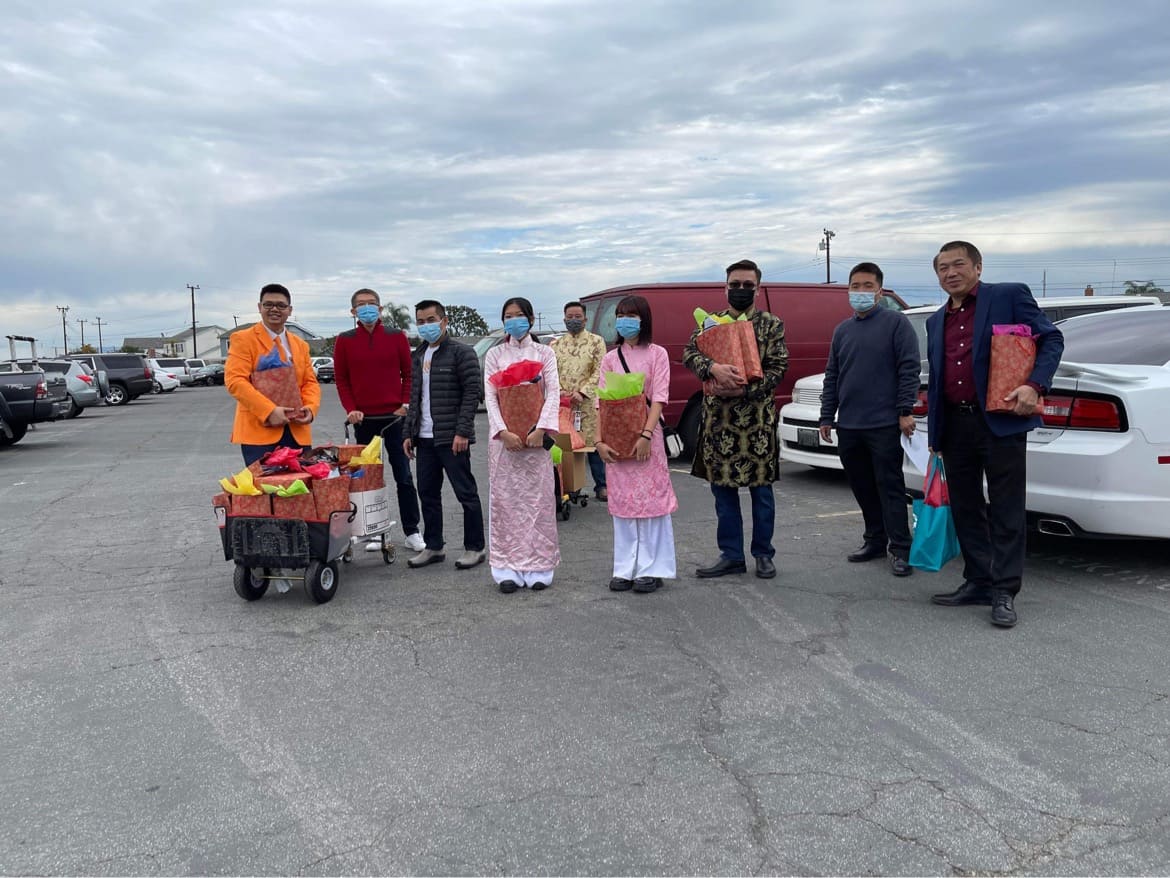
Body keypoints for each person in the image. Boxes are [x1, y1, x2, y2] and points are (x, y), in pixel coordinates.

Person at [925, 241, 1064, 628]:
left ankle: (1004, 590)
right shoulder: (935, 321)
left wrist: (1035, 385)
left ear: (978, 267)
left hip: (1000, 420)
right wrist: (936, 434)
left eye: (958, 264)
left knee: (1006, 508)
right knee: (966, 508)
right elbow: (936, 379)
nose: (950, 273)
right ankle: (978, 581)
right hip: (955, 425)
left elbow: (1051, 339)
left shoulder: (1008, 296)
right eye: (942, 268)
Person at [683, 259, 789, 579]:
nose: (740, 289)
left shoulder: (771, 324)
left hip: (757, 424)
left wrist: (744, 390)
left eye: (747, 285)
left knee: (762, 493)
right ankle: (731, 555)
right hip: (720, 424)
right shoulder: (711, 323)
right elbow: (689, 353)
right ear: (725, 287)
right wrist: (713, 368)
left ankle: (763, 554)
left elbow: (778, 368)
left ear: (758, 288)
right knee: (723, 493)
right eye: (735, 285)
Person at [819, 262, 920, 577]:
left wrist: (904, 411)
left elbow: (909, 368)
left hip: (884, 424)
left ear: (879, 291)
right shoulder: (842, 330)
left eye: (867, 286)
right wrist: (826, 415)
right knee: (862, 486)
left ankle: (901, 548)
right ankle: (875, 539)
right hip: (849, 424)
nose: (860, 292)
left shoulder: (896, 324)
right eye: (855, 286)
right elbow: (833, 375)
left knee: (889, 487)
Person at [594, 295, 677, 593]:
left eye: (631, 315)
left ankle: (651, 568)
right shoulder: (609, 359)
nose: (624, 320)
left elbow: (659, 399)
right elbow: (600, 403)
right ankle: (625, 568)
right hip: (616, 440)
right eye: (620, 315)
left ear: (643, 319)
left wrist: (646, 436)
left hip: (647, 438)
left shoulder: (658, 354)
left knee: (651, 504)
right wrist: (598, 441)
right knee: (624, 505)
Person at [333, 288, 424, 552]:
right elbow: (342, 379)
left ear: (380, 308)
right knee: (367, 479)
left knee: (403, 476)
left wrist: (405, 405)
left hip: (394, 418)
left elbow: (409, 374)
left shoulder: (396, 337)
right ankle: (373, 530)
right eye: (361, 305)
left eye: (372, 303)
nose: (367, 308)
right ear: (353, 311)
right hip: (364, 420)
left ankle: (412, 531)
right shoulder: (345, 340)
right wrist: (351, 409)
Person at [483, 297, 561, 593]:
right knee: (505, 503)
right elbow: (490, 396)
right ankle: (506, 567)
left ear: (529, 319)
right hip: (505, 444)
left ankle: (540, 565)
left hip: (535, 440)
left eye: (518, 315)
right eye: (508, 316)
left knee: (538, 502)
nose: (513, 320)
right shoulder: (495, 354)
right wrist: (502, 431)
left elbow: (553, 392)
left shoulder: (544, 353)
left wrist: (541, 429)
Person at [402, 300, 486, 570]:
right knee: (427, 494)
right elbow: (414, 398)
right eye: (421, 321)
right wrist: (408, 433)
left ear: (444, 321)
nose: (426, 325)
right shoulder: (418, 355)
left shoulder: (462, 353)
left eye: (431, 320)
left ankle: (475, 548)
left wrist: (462, 431)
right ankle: (434, 546)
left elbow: (472, 394)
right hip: (424, 438)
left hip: (452, 438)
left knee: (466, 493)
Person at [226, 283, 320, 465]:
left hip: (297, 431)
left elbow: (310, 382)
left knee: (302, 482)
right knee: (265, 483)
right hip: (259, 433)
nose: (275, 309)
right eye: (268, 304)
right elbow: (235, 381)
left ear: (289, 310)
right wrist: (269, 411)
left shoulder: (301, 345)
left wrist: (310, 408)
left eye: (281, 305)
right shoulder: (243, 339)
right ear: (259, 307)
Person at [550, 300, 608, 500]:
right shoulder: (556, 345)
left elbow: (600, 370)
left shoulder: (596, 342)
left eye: (577, 317)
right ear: (564, 319)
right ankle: (569, 486)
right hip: (564, 404)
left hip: (588, 402)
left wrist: (582, 392)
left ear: (585, 319)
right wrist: (560, 392)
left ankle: (601, 485)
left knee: (592, 443)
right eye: (570, 317)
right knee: (567, 445)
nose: (573, 320)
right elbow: (551, 373)